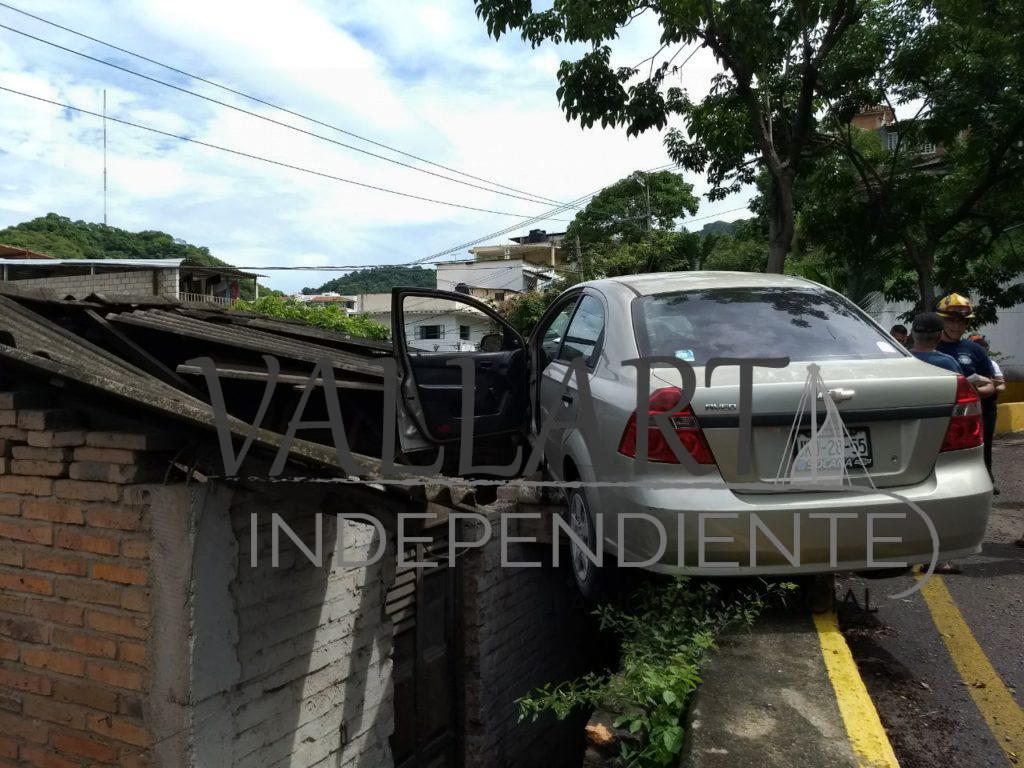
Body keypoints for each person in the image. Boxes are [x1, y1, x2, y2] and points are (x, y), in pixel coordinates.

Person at [935, 294, 998, 485]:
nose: (956, 327)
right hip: (942, 411)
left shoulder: (975, 349)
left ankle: (986, 481)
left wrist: (973, 393)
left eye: (961, 322)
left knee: (981, 449)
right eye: (951, 321)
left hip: (978, 412)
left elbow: (992, 383)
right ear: (941, 321)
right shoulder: (930, 347)